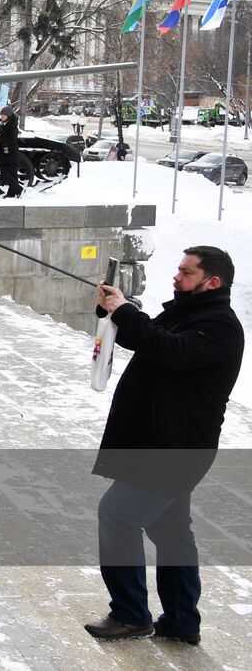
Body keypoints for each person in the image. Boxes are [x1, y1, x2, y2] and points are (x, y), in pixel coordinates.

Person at [84, 246, 243, 644]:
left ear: (213, 282)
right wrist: (114, 312)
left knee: (117, 516)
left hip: (174, 452)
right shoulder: (188, 312)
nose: (177, 276)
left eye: (186, 272)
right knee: (171, 534)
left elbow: (168, 350)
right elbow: (146, 339)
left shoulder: (220, 325)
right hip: (157, 445)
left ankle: (131, 614)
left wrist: (126, 313)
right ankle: (182, 622)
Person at [0, 106, 22, 198]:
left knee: (5, 173)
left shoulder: (12, 126)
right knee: (12, 174)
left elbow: (11, 140)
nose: (2, 116)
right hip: (6, 153)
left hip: (11, 153)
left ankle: (19, 190)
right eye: (1, 114)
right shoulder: (3, 124)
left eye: (4, 115)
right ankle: (12, 194)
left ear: (9, 115)